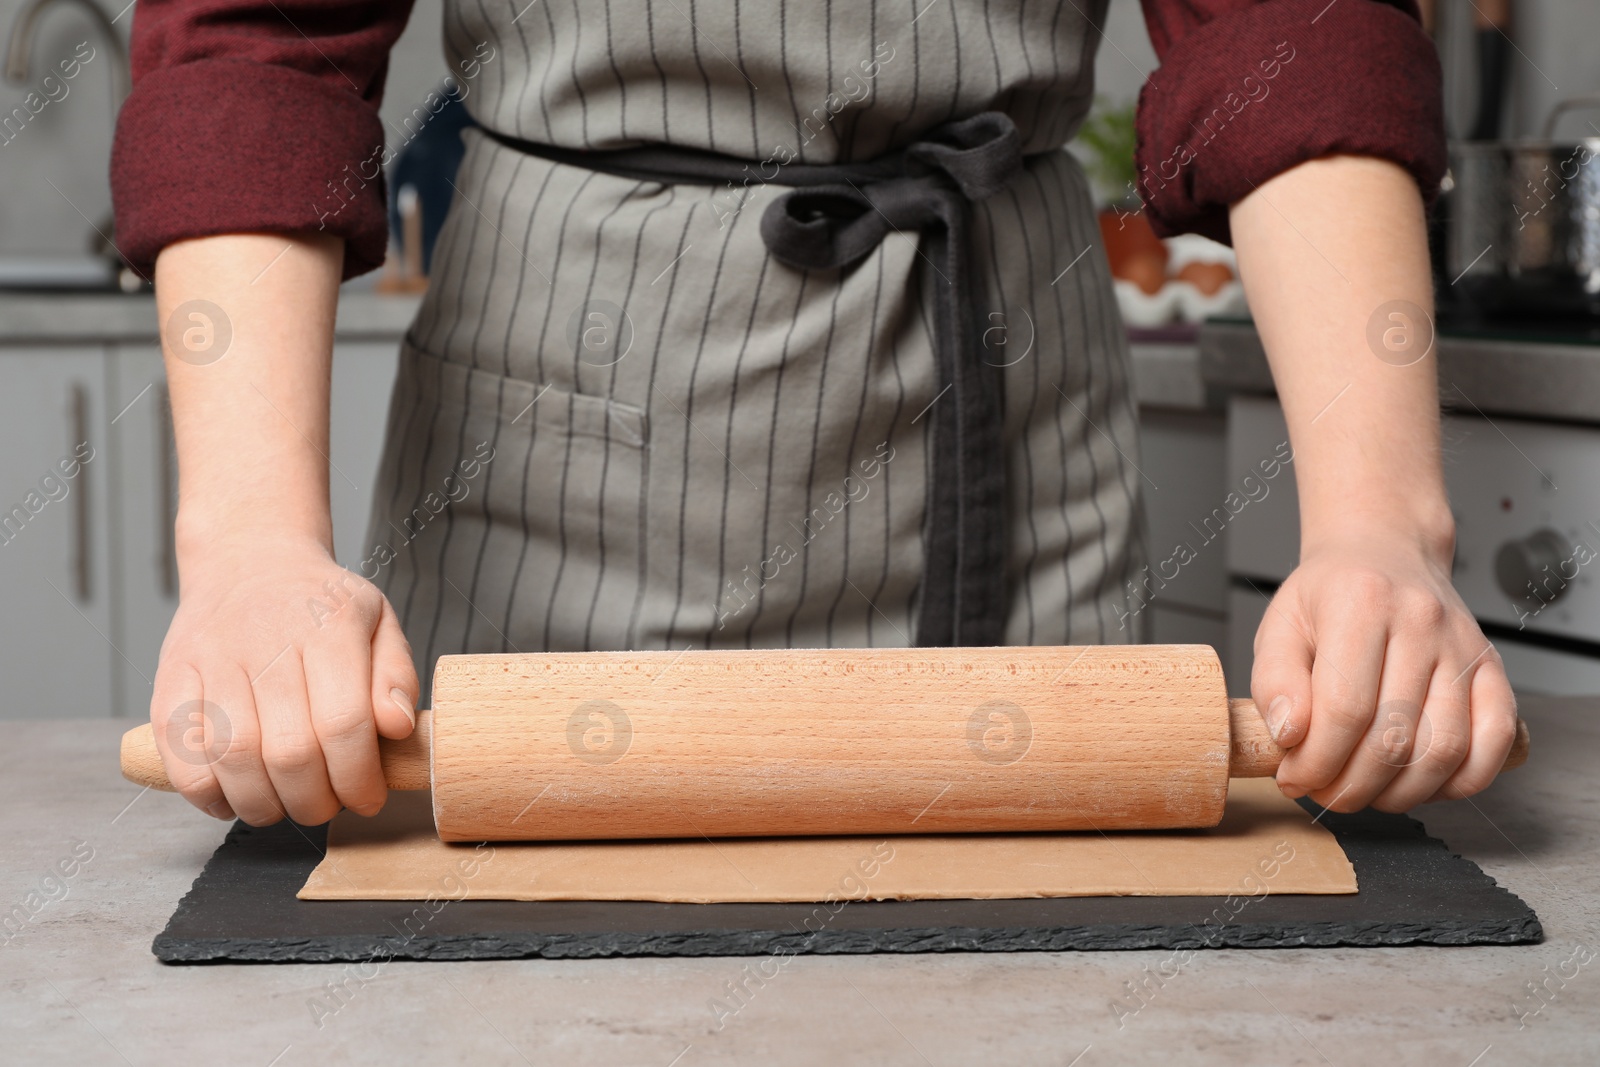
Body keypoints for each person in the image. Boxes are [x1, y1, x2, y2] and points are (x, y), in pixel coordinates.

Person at [110, 0, 1517, 830]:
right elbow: (256, 48)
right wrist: (246, 546)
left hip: (1010, 415)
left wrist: (1382, 524)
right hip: (556, 439)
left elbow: (1298, 31)